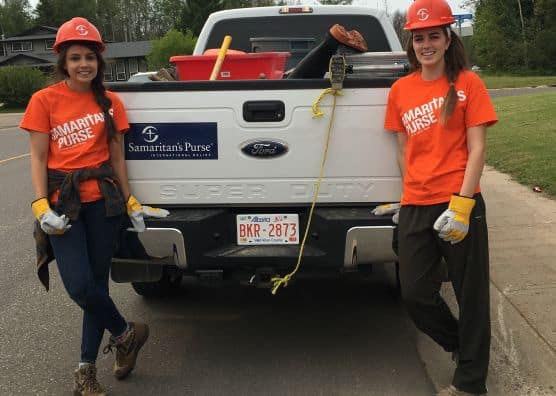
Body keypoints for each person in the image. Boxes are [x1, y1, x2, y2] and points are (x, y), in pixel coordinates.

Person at [20, 17, 168, 396]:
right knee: (81, 285)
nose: (83, 64)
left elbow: (118, 156)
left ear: (99, 62)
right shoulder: (44, 101)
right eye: (75, 58)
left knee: (97, 285)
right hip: (63, 206)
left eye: (89, 57)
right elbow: (38, 158)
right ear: (63, 63)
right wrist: (40, 204)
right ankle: (125, 333)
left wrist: (130, 197)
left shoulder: (110, 102)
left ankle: (85, 371)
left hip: (104, 203)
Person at [379, 0, 498, 394]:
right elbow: (402, 149)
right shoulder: (400, 90)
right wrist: (406, 195)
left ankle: (469, 383)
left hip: (459, 202)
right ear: (411, 43)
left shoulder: (468, 84)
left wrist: (462, 207)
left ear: (448, 39)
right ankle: (463, 347)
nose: (426, 44)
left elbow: (477, 148)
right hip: (416, 204)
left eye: (434, 36)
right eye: (419, 37)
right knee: (415, 294)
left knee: (471, 294)